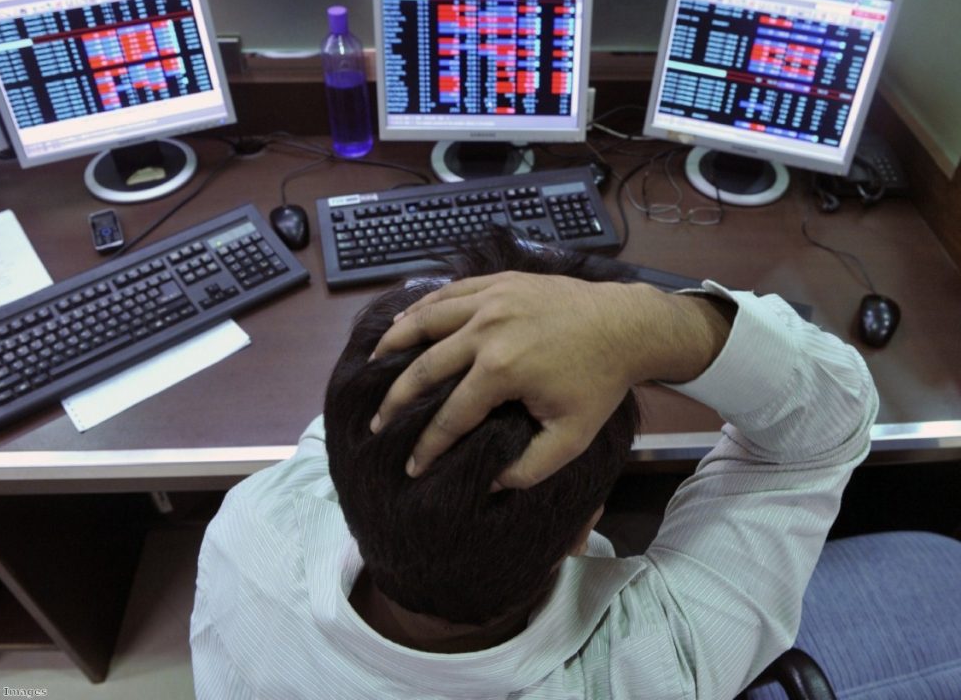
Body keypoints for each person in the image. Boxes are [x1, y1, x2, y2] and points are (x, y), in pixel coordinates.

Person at [190, 232, 877, 699]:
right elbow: (827, 423)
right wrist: (642, 322)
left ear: (346, 490)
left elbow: (347, 434)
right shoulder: (661, 662)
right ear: (586, 530)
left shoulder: (250, 532)